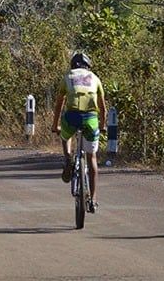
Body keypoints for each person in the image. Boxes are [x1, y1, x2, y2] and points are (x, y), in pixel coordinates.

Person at [52, 51, 106, 214]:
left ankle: (68, 158)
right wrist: (102, 125)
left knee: (65, 135)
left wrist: (55, 125)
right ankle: (94, 199)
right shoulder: (95, 78)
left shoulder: (67, 77)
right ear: (88, 66)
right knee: (92, 158)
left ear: (72, 65)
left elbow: (59, 105)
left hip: (71, 117)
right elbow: (102, 107)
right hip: (90, 119)